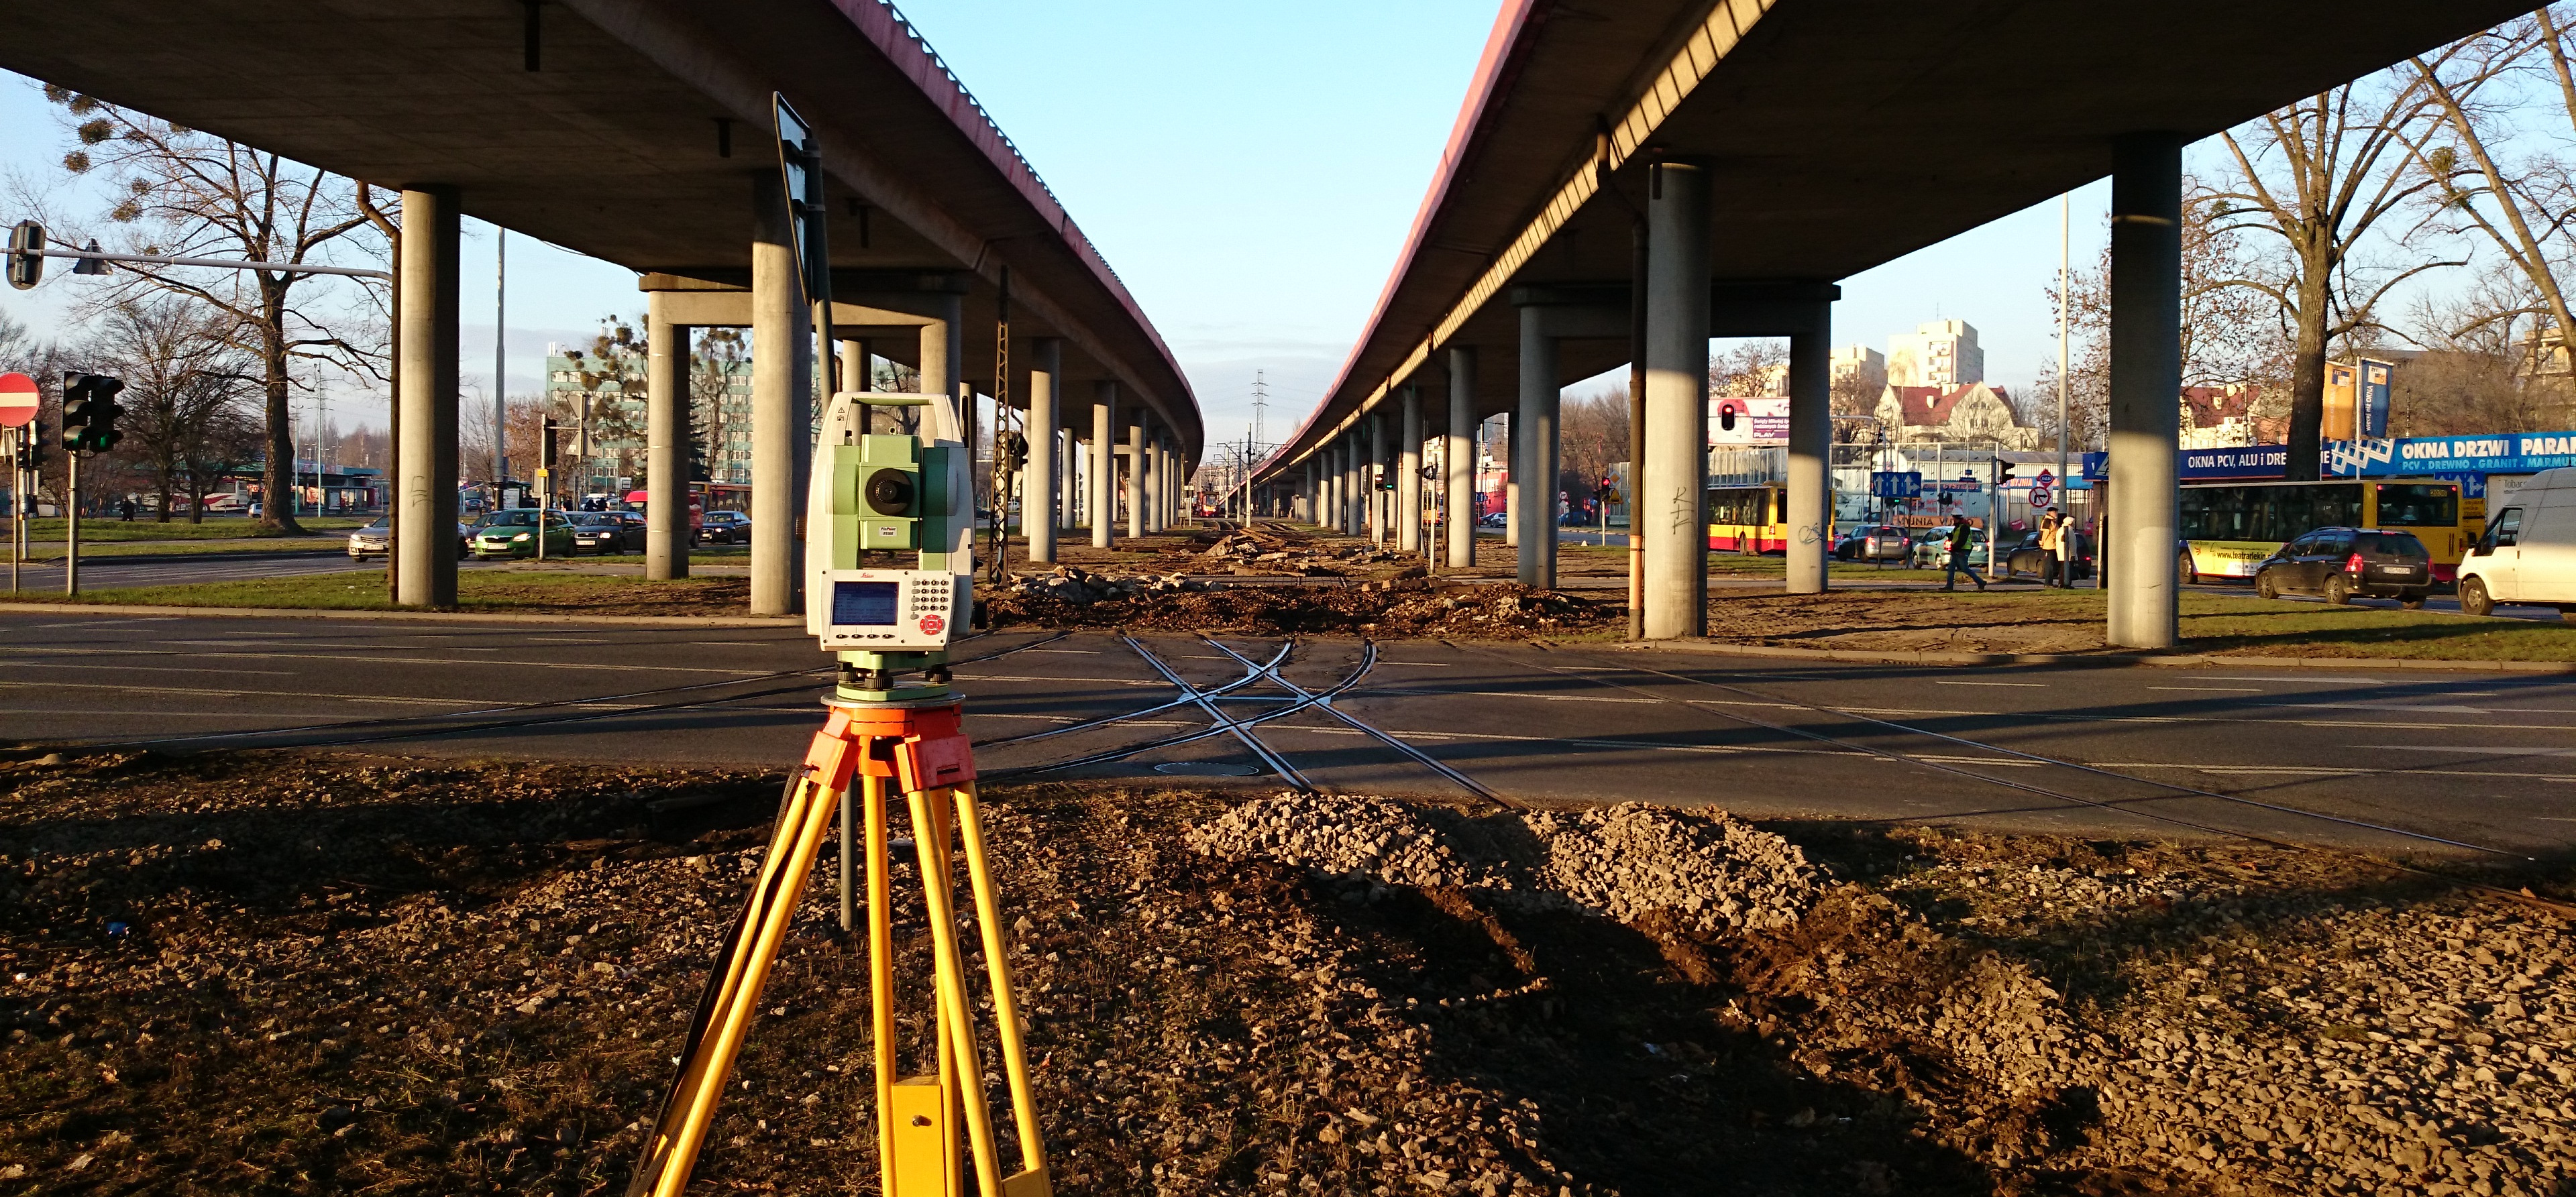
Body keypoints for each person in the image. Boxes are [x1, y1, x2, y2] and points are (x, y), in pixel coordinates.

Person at [1942, 514, 1986, 591]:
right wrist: (1949, 535)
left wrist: (1955, 547)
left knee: (1964, 568)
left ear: (1958, 518)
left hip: (1962, 551)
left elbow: (1962, 540)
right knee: (1951, 569)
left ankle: (1980, 582)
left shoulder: (1964, 527)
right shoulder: (1958, 527)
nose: (1953, 520)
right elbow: (1955, 538)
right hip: (1957, 550)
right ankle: (1949, 586)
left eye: (1954, 519)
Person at [2038, 508, 2062, 588]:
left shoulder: (2053, 521)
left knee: (2052, 566)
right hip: (2048, 547)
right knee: (2049, 566)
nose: (2056, 514)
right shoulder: (2047, 521)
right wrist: (2042, 544)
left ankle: (2050, 583)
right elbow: (2043, 534)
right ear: (2050, 513)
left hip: (2053, 546)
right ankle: (2048, 583)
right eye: (2055, 512)